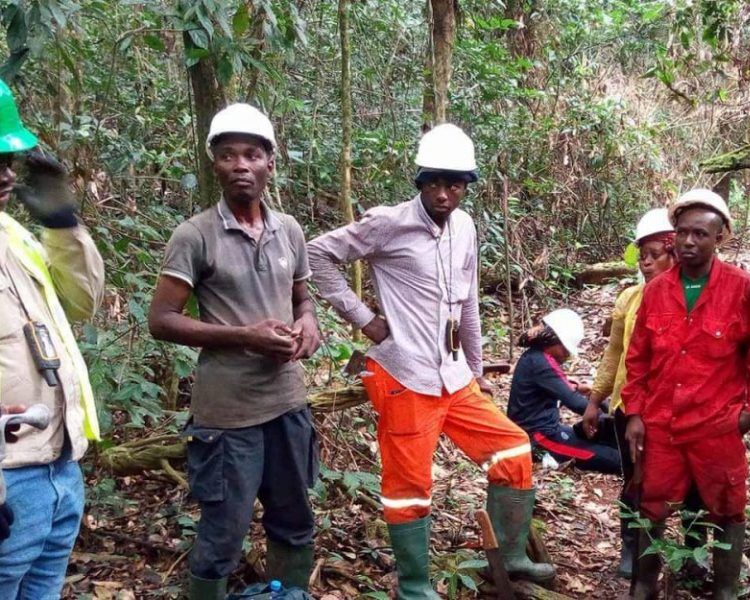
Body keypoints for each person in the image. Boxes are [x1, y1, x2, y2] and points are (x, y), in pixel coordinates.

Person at [307, 123, 554, 598]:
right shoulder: (388, 223)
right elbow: (319, 255)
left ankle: (510, 555)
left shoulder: (464, 228)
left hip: (452, 374)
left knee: (513, 448)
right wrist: (366, 320)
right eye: (435, 183)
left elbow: (469, 306)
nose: (444, 194)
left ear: (466, 186)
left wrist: (478, 373)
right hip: (403, 372)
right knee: (409, 486)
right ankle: (415, 586)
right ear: (419, 182)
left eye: (455, 184)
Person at [148, 103, 321, 599]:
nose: (240, 165)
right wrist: (245, 336)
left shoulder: (288, 230)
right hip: (227, 414)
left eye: (251, 155)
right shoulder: (195, 235)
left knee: (293, 517)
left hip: (287, 403)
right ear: (214, 165)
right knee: (224, 531)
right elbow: (162, 320)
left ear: (270, 162)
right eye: (228, 156)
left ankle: (291, 592)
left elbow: (302, 298)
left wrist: (307, 325)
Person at [620, 188, 750, 600]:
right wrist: (635, 414)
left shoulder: (743, 289)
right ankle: (643, 586)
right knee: (650, 506)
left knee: (728, 508)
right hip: (662, 424)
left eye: (701, 234)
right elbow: (637, 360)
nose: (690, 242)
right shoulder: (656, 291)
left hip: (717, 426)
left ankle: (724, 589)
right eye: (683, 233)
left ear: (720, 238)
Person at [0, 79, 104, 597]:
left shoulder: (12, 234)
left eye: (6, 159)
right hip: (7, 477)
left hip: (58, 467)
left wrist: (62, 224)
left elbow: (82, 303)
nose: (4, 174)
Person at [580, 207, 676, 578]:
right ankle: (630, 545)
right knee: (634, 479)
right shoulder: (629, 299)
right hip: (626, 405)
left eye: (655, 255)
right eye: (643, 256)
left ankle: (660, 549)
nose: (647, 263)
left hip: (667, 408)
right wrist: (594, 401)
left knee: (663, 483)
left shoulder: (688, 298)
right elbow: (614, 353)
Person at [507, 308, 621, 474]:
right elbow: (575, 402)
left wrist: (591, 397)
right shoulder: (542, 363)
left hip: (547, 431)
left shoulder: (535, 357)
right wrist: (606, 410)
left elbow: (561, 385)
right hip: (538, 439)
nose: (565, 357)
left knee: (606, 443)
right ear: (553, 340)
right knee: (616, 460)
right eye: (565, 351)